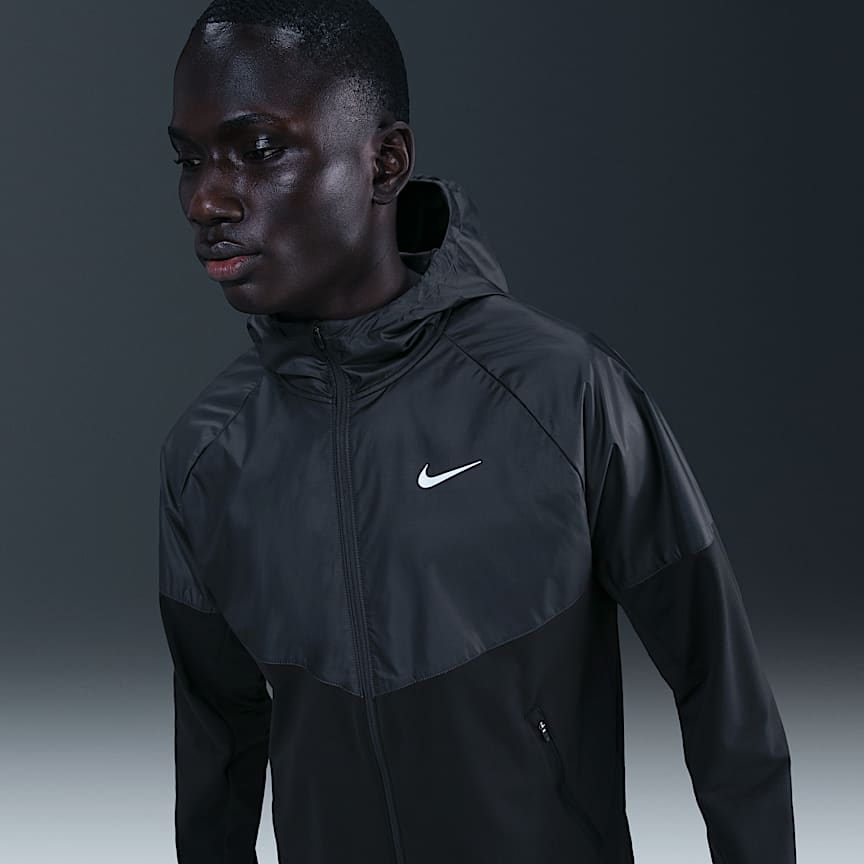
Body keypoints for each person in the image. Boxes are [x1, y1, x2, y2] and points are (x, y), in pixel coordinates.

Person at [157, 1, 797, 862]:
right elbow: (217, 751)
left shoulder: (560, 391)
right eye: (189, 159)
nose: (206, 198)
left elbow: (721, 689)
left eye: (261, 149)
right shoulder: (208, 455)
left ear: (386, 161)